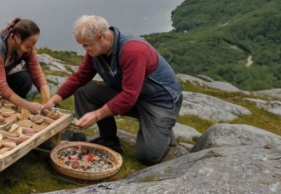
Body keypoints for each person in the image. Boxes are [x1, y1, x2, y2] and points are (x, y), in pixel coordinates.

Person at [42, 15, 183, 164]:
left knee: (148, 155)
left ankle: (163, 130)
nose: (85, 49)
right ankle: (109, 140)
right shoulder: (97, 49)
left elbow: (129, 96)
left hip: (158, 101)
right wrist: (54, 100)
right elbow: (80, 76)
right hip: (132, 95)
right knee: (85, 91)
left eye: (86, 45)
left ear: (100, 37)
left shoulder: (133, 51)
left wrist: (97, 115)